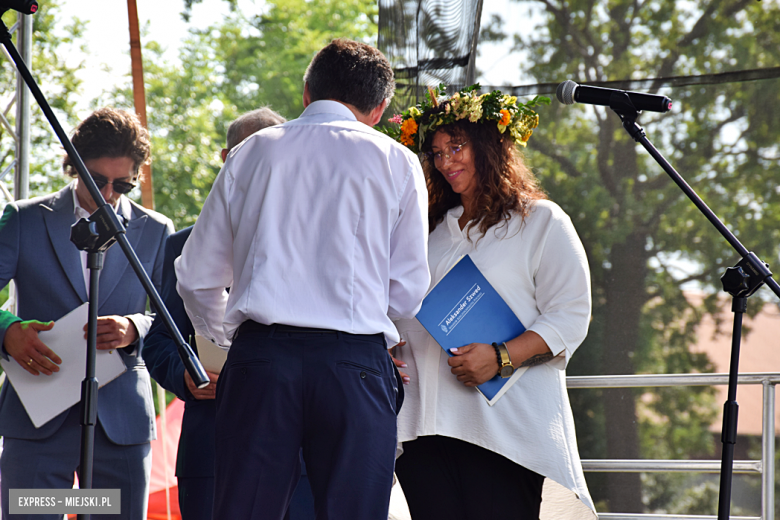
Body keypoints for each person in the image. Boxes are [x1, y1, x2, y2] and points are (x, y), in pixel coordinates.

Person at [174, 39, 430, 520]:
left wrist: (236, 340)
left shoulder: (250, 153)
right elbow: (409, 290)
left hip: (261, 361)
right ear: (377, 109)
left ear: (307, 93)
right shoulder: (396, 160)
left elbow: (195, 277)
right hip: (353, 365)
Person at [385, 86, 597, 519]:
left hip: (504, 432)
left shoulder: (540, 222)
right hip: (424, 428)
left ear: (491, 146)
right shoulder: (425, 231)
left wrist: (502, 356)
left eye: (457, 146)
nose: (446, 161)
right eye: (437, 152)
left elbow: (571, 314)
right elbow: (395, 305)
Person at [0, 108, 174, 520]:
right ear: (73, 163)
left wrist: (136, 327)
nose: (109, 194)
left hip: (121, 423)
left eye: (123, 183)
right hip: (36, 418)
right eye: (97, 180)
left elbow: (174, 319)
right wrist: (7, 329)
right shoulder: (24, 220)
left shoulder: (156, 229)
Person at [143, 107, 315, 520]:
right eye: (247, 154)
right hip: (213, 449)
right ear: (226, 159)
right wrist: (186, 378)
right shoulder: (182, 246)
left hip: (302, 454)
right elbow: (160, 341)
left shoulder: (314, 240)